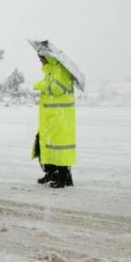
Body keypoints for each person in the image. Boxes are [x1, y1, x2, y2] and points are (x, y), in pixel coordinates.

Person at [32, 54, 76, 188]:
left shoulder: (60, 70)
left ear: (49, 58)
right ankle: (50, 173)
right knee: (44, 146)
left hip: (59, 118)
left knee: (59, 148)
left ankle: (63, 179)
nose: (40, 61)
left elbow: (57, 88)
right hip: (51, 118)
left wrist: (39, 85)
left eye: (42, 58)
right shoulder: (52, 70)